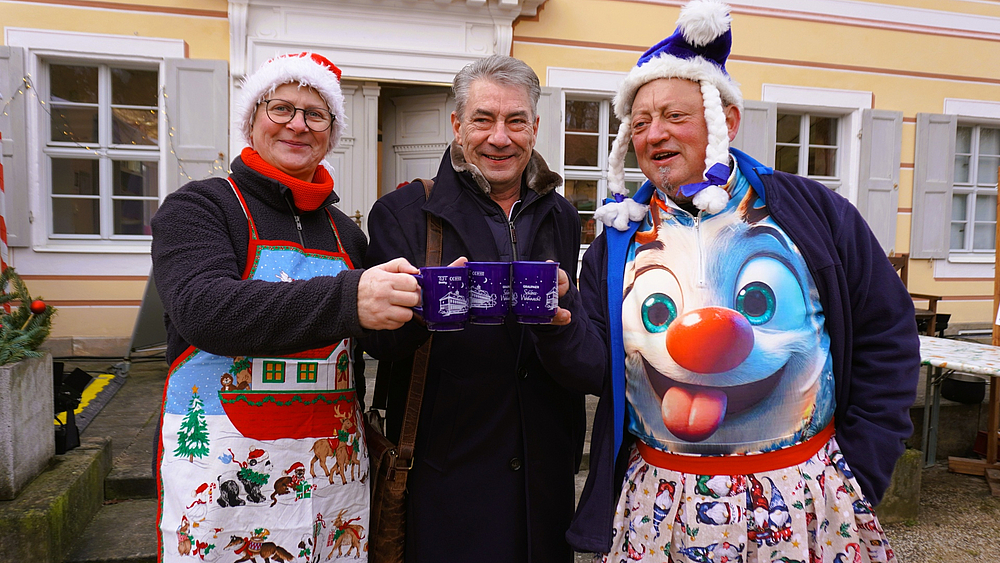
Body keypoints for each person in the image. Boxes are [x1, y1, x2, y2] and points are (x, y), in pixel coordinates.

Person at [567, 2, 921, 562]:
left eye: (674, 117)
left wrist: (861, 469)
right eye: (639, 123)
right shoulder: (614, 243)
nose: (654, 133)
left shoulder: (814, 214)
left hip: (804, 500)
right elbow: (596, 365)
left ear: (726, 121)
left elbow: (888, 336)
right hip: (661, 508)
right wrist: (555, 321)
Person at [150, 52, 420, 563]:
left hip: (332, 481)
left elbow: (378, 341)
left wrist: (427, 302)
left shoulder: (347, 232)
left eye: (315, 114)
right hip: (225, 476)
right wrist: (349, 296)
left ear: (330, 132)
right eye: (280, 108)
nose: (297, 124)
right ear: (251, 120)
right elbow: (205, 309)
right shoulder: (200, 207)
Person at [362, 54, 606, 563]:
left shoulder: (560, 213)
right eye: (483, 119)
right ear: (456, 125)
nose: (501, 137)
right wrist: (426, 305)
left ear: (535, 128)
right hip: (447, 476)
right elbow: (379, 345)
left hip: (543, 477)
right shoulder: (405, 213)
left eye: (516, 121)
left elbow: (583, 361)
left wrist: (561, 322)